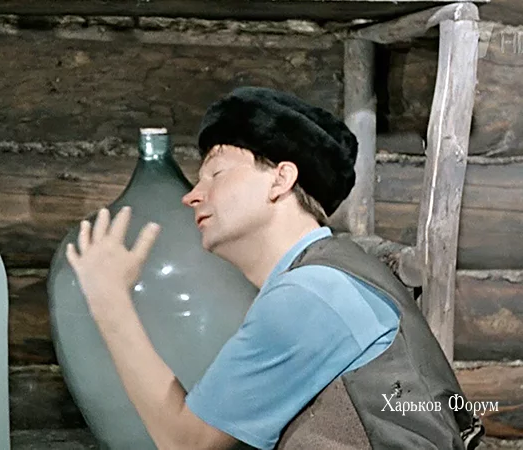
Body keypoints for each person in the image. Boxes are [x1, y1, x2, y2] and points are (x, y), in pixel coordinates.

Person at [65, 86, 484, 450]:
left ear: (281, 179)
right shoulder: (327, 274)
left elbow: (186, 441)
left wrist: (108, 299)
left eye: (216, 174)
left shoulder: (312, 295)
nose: (191, 195)